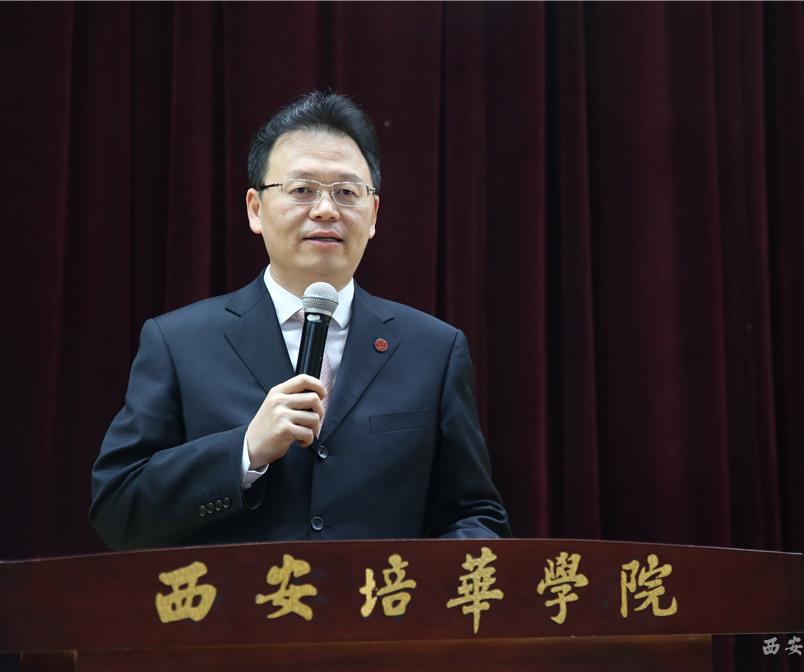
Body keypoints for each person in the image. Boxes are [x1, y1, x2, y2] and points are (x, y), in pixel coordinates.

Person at [90, 91, 510, 550]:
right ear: (255, 209)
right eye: (302, 190)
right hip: (239, 599)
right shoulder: (178, 342)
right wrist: (245, 452)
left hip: (380, 597)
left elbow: (473, 513)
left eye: (346, 192)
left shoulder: (433, 350)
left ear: (373, 214)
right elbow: (116, 509)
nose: (326, 209)